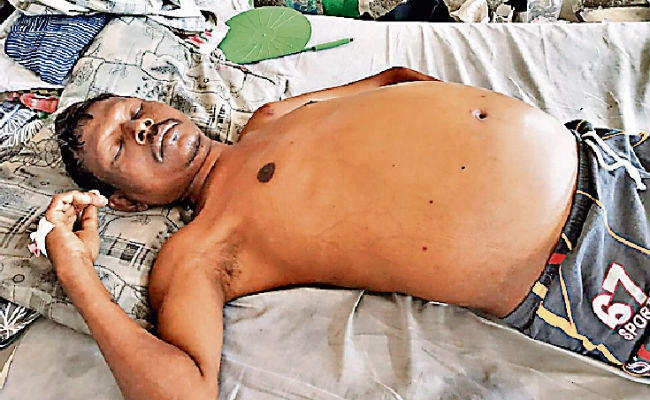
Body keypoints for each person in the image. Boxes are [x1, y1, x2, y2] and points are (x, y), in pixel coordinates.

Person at [45, 67, 649, 399]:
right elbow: (184, 393)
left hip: (604, 153)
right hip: (583, 260)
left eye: (135, 110)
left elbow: (392, 81)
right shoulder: (204, 247)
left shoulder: (271, 115)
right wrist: (76, 271)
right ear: (124, 200)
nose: (143, 128)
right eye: (119, 145)